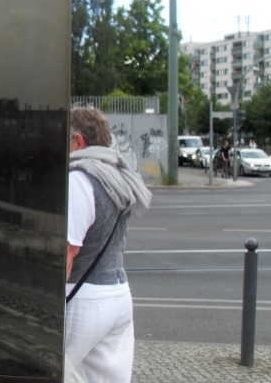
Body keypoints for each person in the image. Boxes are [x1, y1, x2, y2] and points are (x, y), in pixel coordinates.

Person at [66, 106, 152, 383]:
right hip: (118, 296)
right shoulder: (117, 175)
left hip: (84, 298)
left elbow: (70, 250)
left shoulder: (79, 178)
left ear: (78, 141)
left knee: (50, 370)